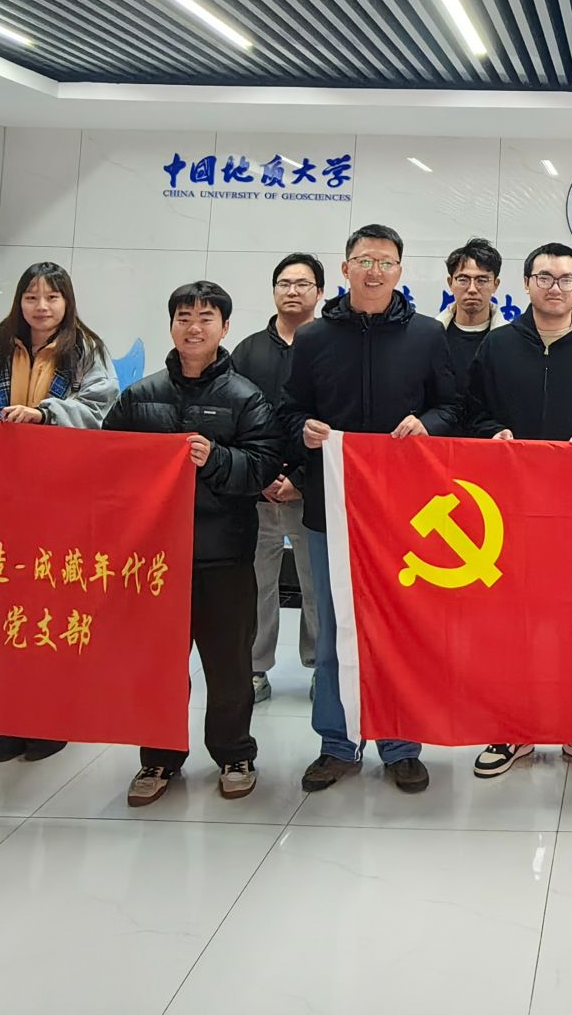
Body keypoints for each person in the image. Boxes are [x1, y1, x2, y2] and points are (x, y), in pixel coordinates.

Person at [281, 225, 458, 796]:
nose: (374, 271)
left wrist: (426, 424)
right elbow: (287, 410)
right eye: (364, 260)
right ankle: (337, 743)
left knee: (401, 628)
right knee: (335, 629)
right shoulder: (313, 338)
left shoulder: (428, 335)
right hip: (330, 509)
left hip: (407, 513)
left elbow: (454, 408)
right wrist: (303, 429)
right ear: (345, 268)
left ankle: (401, 744)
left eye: (385, 262)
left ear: (400, 271)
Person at [462, 242, 572, 780]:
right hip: (508, 512)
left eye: (565, 279)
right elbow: (469, 411)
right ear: (526, 284)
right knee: (511, 624)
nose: (555, 287)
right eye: (544, 277)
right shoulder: (497, 347)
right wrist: (493, 432)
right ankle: (512, 730)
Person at [110, 282, 282, 805]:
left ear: (225, 328)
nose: (194, 326)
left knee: (229, 666)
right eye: (184, 316)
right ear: (171, 326)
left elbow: (264, 466)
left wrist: (217, 459)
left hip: (224, 553)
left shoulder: (245, 397)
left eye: (206, 317)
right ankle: (158, 758)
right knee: (157, 665)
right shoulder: (140, 396)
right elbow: (109, 462)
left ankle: (234, 753)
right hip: (155, 557)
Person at [0, 261, 117, 762]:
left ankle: (53, 716)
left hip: (62, 495)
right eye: (31, 297)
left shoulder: (86, 348)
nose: (41, 307)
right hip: (3, 494)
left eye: (51, 297)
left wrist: (45, 414)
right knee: (5, 606)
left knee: (54, 608)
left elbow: (101, 408)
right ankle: (12, 715)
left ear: (67, 302)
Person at [231, 252, 324, 705]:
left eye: (303, 284)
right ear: (273, 291)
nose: (292, 291)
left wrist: (300, 479)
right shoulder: (247, 351)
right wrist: (262, 476)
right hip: (258, 491)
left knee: (316, 585)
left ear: (319, 293)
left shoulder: (329, 346)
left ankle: (321, 667)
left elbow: (335, 418)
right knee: (256, 585)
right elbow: (234, 418)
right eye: (284, 283)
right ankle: (254, 669)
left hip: (312, 490)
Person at [439, 237, 507, 387]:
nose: (472, 289)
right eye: (463, 279)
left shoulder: (511, 341)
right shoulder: (430, 337)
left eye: (482, 280)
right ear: (450, 283)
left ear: (495, 285)